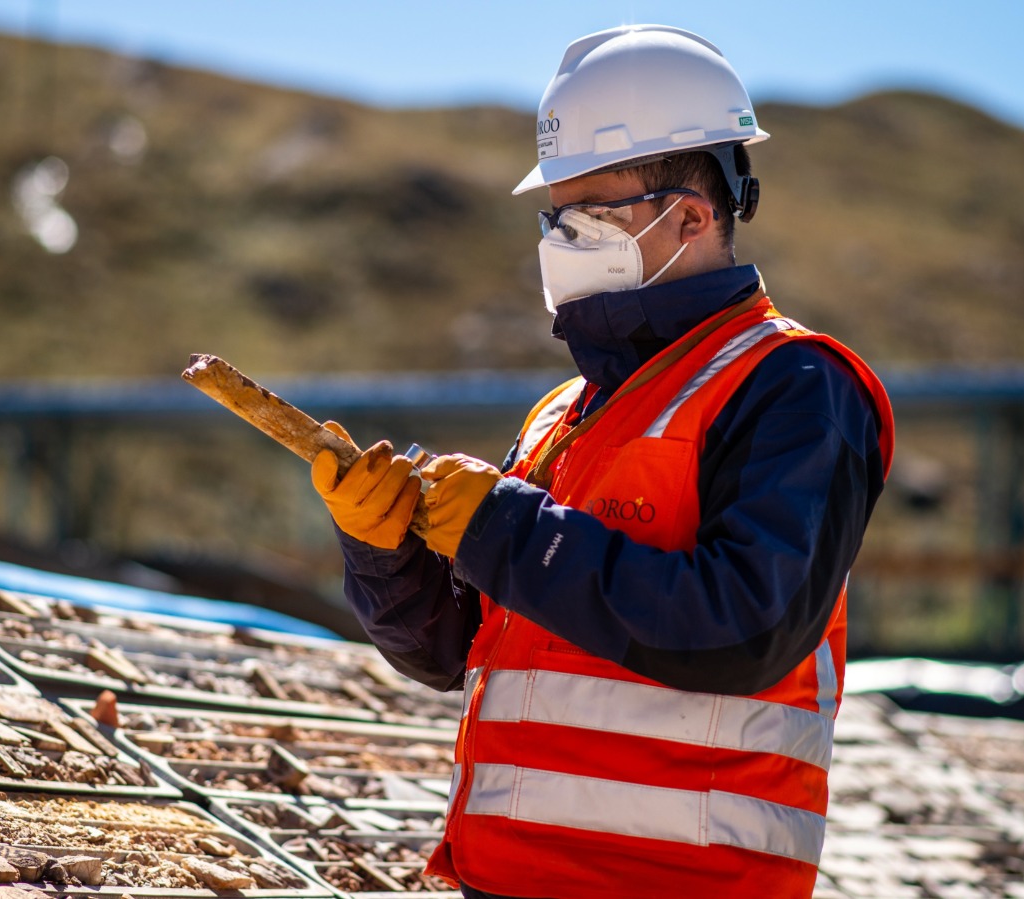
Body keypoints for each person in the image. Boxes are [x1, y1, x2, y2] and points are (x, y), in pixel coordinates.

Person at [311, 24, 894, 899]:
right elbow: (458, 649)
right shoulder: (562, 416)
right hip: (503, 880)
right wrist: (385, 551)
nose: (559, 240)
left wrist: (506, 529)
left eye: (585, 216)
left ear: (692, 217)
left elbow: (746, 626)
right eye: (555, 216)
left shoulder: (795, 386)